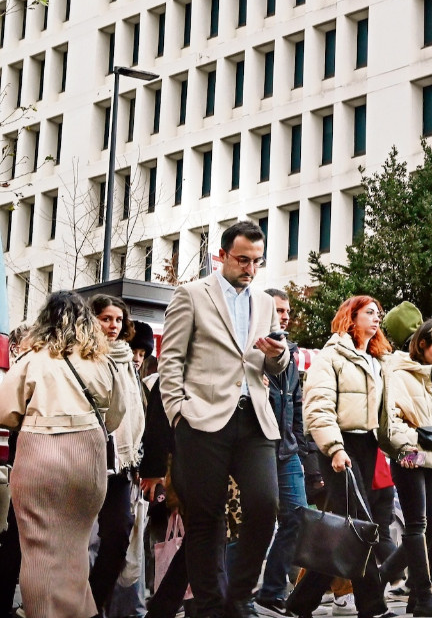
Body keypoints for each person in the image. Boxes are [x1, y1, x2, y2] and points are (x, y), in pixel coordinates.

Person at [157, 221, 289, 618]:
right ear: (223, 256)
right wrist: (178, 413)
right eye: (243, 259)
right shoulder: (192, 295)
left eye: (257, 262)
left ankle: (242, 594)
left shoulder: (265, 303)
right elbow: (171, 360)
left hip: (255, 420)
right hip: (202, 420)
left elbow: (276, 366)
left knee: (265, 506)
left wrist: (275, 355)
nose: (250, 268)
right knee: (205, 518)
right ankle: (211, 604)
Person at [0, 292, 127, 617]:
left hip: (40, 455)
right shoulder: (103, 362)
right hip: (89, 458)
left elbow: (4, 412)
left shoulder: (35, 359)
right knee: (74, 550)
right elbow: (115, 417)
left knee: (39, 552)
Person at [286, 295, 412, 618]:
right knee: (359, 528)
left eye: (378, 314)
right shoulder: (331, 357)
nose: (376, 318)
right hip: (341, 449)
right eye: (369, 313)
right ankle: (373, 606)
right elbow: (318, 408)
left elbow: (385, 418)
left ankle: (300, 603)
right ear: (351, 317)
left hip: (368, 449)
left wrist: (404, 450)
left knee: (343, 534)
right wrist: (335, 448)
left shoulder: (377, 361)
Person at [82, 295, 148, 614]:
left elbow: (134, 411)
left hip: (121, 465)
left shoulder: (126, 359)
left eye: (118, 320)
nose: (113, 325)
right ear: (92, 320)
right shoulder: (83, 356)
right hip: (87, 461)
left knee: (119, 536)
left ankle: (93, 604)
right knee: (79, 543)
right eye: (106, 318)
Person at [383, 319, 432, 616]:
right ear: (422, 343)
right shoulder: (397, 372)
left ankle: (378, 577)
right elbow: (392, 422)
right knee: (417, 526)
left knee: (430, 532)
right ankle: (422, 595)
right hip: (409, 456)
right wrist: (415, 449)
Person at [254, 288, 310, 616]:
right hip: (258, 447)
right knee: (254, 521)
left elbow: (296, 404)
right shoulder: (250, 351)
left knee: (298, 517)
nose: (284, 316)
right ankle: (236, 590)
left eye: (286, 311)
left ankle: (271, 589)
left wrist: (302, 453)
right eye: (278, 310)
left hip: (287, 450)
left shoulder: (290, 353)